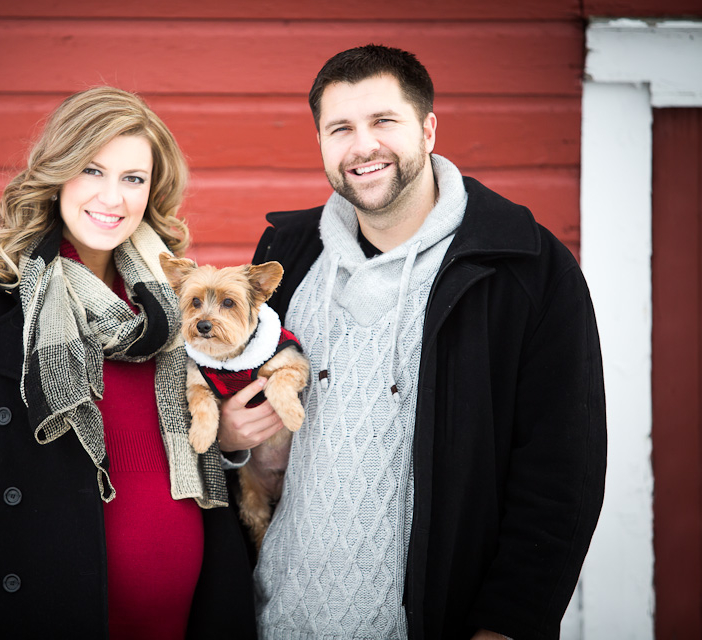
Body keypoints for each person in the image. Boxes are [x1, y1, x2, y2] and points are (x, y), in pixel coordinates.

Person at [217, 44, 607, 640]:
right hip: (278, 616)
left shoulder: (524, 267)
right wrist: (231, 443)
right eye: (340, 128)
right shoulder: (285, 259)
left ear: (427, 128)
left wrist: (507, 624)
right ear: (320, 144)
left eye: (383, 122)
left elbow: (561, 471)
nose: (362, 146)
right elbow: (242, 422)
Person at [0, 86, 256, 639]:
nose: (111, 197)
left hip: (187, 618)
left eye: (133, 178)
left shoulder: (181, 300)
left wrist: (230, 440)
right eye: (92, 170)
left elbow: (206, 435)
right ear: (57, 173)